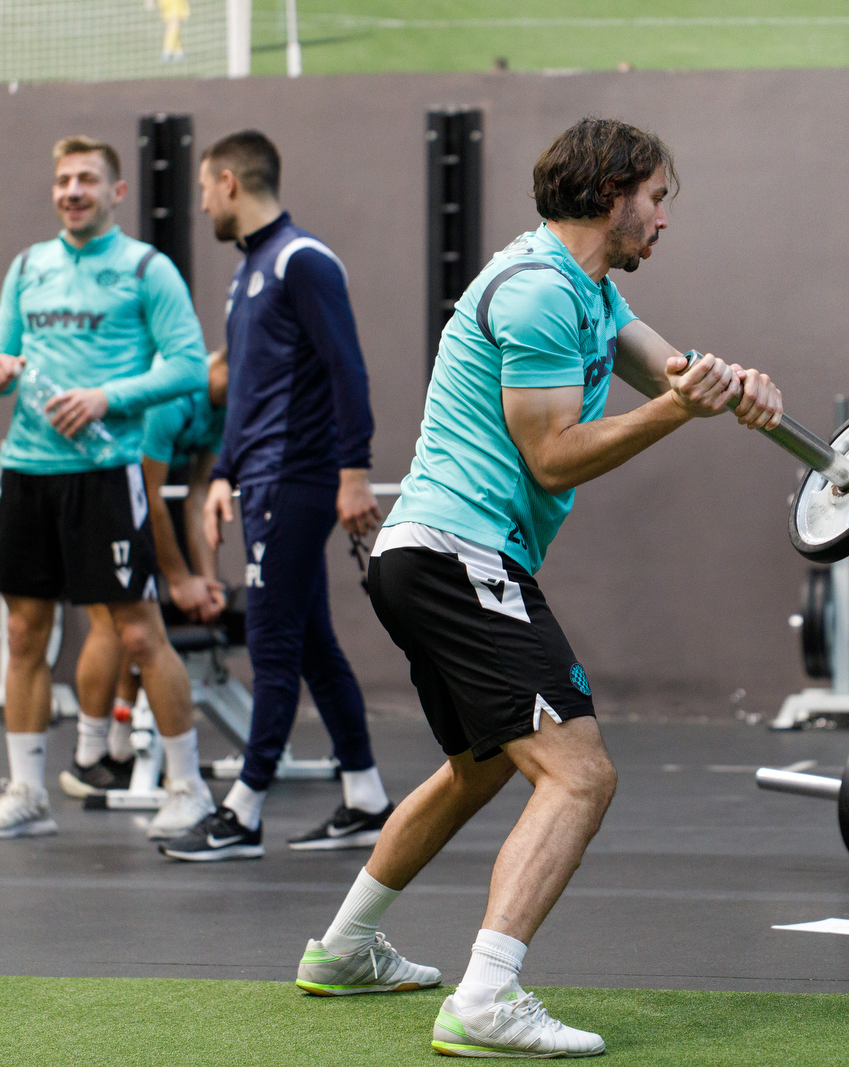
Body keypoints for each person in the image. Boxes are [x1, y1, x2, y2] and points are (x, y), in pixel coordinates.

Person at [292, 117, 781, 1057]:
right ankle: (487, 994)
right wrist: (680, 412)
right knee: (580, 773)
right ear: (613, 197)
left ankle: (345, 945)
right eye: (657, 200)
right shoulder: (536, 295)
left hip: (438, 555)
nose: (664, 222)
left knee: (481, 765)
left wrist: (731, 386)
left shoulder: (587, 291)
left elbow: (672, 372)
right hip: (458, 554)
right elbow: (553, 458)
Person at [0, 135, 215, 841]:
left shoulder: (146, 268)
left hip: (105, 474)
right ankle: (26, 792)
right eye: (63, 180)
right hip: (28, 469)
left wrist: (107, 396)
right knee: (22, 631)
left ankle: (189, 788)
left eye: (87, 180)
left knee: (138, 631)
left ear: (116, 192)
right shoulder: (28, 265)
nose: (72, 191)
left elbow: (190, 365)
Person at [161, 129, 389, 862]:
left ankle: (245, 808)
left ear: (229, 181)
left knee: (273, 639)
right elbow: (249, 393)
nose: (201, 204)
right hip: (259, 478)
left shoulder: (301, 260)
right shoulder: (247, 272)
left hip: (297, 478)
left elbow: (347, 370)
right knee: (312, 640)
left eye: (203, 189)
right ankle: (366, 796)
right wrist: (223, 473)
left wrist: (354, 472)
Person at [58, 347, 229, 802]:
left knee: (139, 633)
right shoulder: (174, 401)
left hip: (132, 504)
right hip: (100, 490)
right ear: (224, 366)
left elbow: (195, 501)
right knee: (111, 628)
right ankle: (87, 758)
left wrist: (206, 579)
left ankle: (115, 751)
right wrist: (179, 579)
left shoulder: (226, 412)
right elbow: (151, 497)